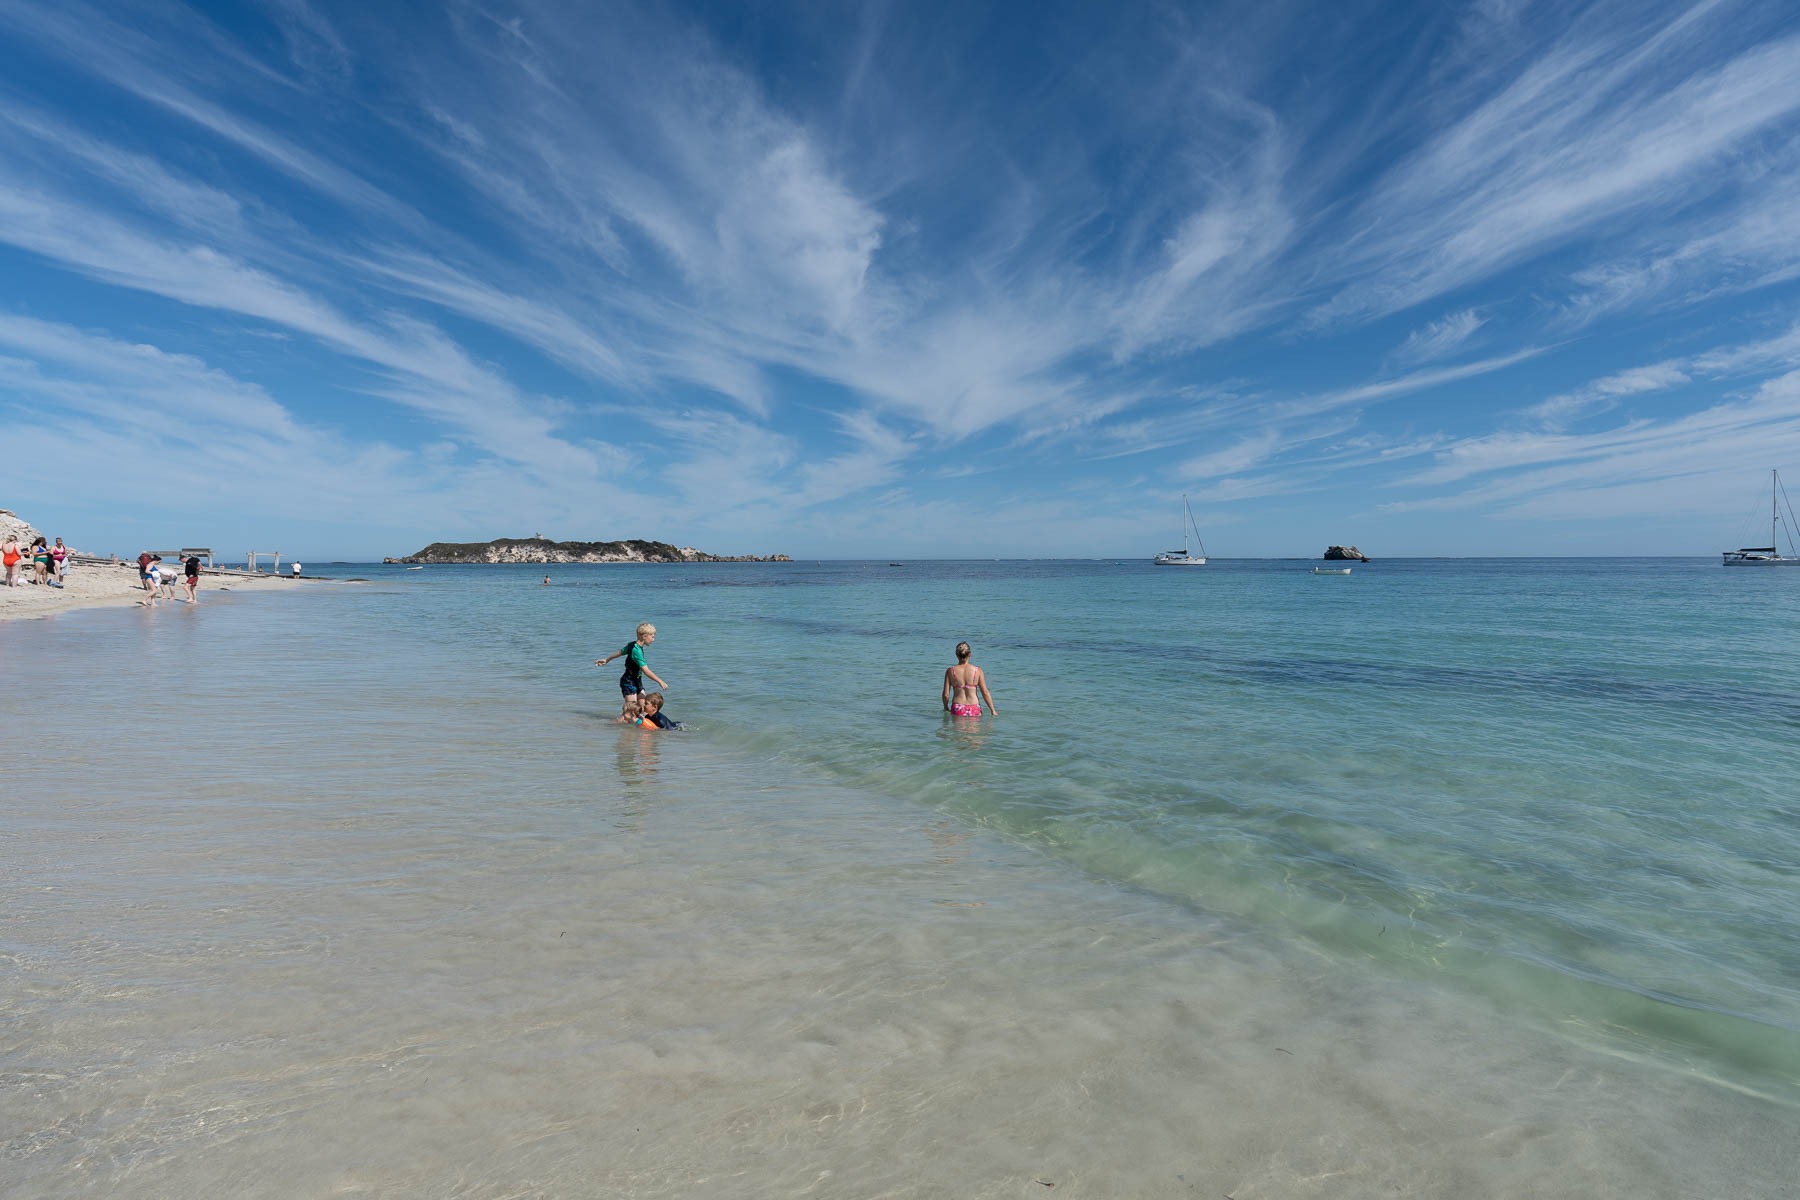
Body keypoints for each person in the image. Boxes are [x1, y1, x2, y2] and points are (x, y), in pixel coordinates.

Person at [597, 622, 668, 714]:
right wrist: (660, 681)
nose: (653, 640)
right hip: (628, 682)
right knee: (631, 712)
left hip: (637, 681)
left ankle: (640, 723)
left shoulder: (632, 645)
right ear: (645, 636)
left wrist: (607, 660)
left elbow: (620, 652)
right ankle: (617, 722)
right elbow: (646, 671)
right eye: (652, 637)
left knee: (643, 709)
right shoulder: (636, 651)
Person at [942, 641, 998, 717]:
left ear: (956, 655)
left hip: (958, 708)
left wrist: (945, 707)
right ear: (970, 654)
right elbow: (985, 692)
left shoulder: (951, 671)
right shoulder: (978, 671)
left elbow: (946, 694)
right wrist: (992, 710)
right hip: (974, 707)